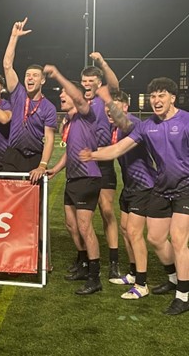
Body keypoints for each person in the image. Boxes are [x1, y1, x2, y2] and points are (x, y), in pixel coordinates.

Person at [79, 77, 189, 314]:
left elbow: (123, 121)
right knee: (156, 239)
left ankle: (183, 295)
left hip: (185, 188)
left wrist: (107, 98)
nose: (156, 100)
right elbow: (118, 149)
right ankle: (173, 278)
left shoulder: (186, 121)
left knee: (179, 239)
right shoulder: (147, 126)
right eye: (153, 96)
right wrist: (92, 155)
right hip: (161, 188)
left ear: (172, 98)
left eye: (161, 95)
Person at [44, 65, 102, 295]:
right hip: (73, 177)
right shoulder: (69, 122)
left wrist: (58, 75)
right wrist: (56, 169)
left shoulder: (86, 113)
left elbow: (78, 97)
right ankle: (83, 263)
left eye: (65, 93)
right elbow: (70, 152)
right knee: (71, 224)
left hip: (88, 176)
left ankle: (95, 277)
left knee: (85, 227)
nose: (61, 95)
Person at [80, 52, 121, 279]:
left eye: (90, 80)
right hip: (84, 162)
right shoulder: (80, 99)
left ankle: (114, 261)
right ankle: (84, 259)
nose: (86, 84)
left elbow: (115, 85)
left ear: (98, 82)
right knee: (82, 214)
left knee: (106, 210)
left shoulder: (105, 96)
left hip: (103, 160)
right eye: (84, 81)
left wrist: (103, 62)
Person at [2, 18, 57, 183]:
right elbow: (7, 65)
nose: (30, 78)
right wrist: (14, 37)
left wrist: (42, 165)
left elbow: (49, 138)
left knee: (34, 197)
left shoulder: (49, 107)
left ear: (43, 80)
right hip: (13, 154)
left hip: (34, 157)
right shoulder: (18, 93)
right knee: (8, 196)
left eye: (35, 75)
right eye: (27, 75)